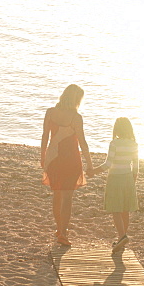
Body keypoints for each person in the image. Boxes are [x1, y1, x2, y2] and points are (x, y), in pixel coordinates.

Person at [41, 84, 93, 246]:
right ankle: (63, 232)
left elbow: (45, 136)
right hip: (71, 159)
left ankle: (59, 229)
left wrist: (42, 157)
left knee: (57, 193)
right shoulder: (76, 118)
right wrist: (90, 163)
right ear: (76, 100)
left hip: (54, 157)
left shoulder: (50, 112)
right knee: (67, 197)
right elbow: (83, 143)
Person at [89, 117, 139, 254]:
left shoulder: (114, 144)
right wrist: (132, 181)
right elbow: (136, 167)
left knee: (115, 209)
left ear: (117, 129)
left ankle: (122, 236)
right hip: (128, 178)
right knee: (125, 210)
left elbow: (108, 164)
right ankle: (121, 239)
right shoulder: (134, 145)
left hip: (115, 178)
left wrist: (93, 172)